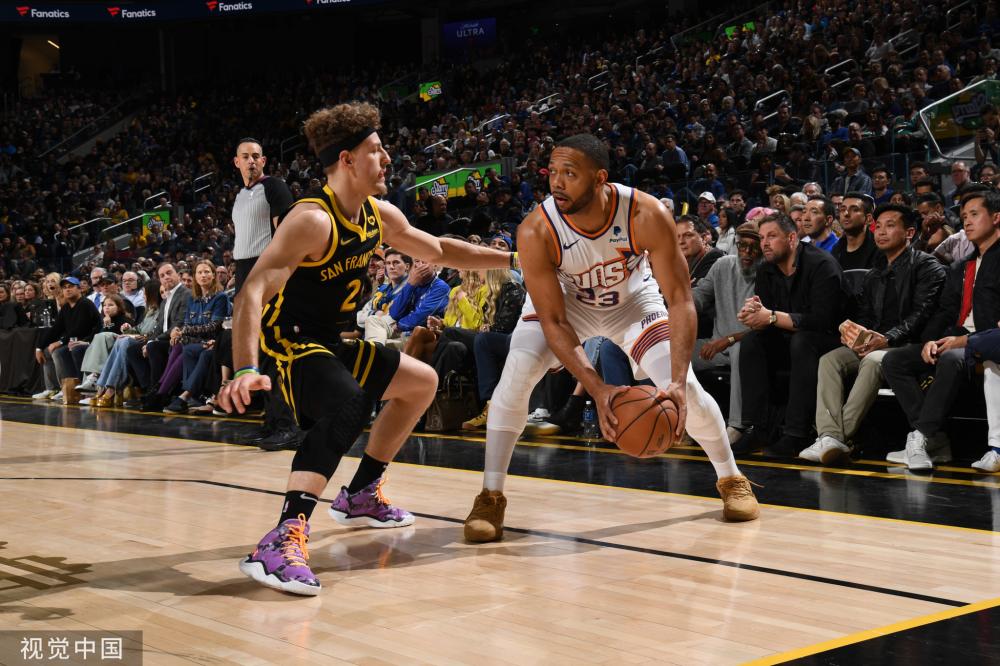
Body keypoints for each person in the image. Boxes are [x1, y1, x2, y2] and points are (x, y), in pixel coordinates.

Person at [217, 102, 513, 596]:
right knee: (348, 402)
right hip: (288, 341)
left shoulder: (379, 214)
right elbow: (251, 289)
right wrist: (245, 366)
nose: (388, 159)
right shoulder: (311, 220)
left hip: (332, 340)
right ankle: (282, 537)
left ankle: (359, 494)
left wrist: (515, 255)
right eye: (376, 150)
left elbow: (439, 250)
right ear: (347, 160)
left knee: (422, 382)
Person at [462, 134, 759, 546]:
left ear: (600, 178)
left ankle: (731, 479)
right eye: (553, 172)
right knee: (517, 375)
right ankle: (490, 495)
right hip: (568, 307)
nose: (557, 182)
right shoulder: (535, 229)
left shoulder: (645, 213)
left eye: (571, 173)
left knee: (687, 388)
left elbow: (679, 298)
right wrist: (598, 389)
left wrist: (673, 380)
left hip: (633, 302)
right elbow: (551, 319)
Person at [801, 204, 946, 463]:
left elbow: (920, 315)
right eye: (877, 226)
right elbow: (866, 315)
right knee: (830, 360)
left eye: (890, 225)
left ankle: (838, 438)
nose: (880, 232)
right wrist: (855, 333)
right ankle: (829, 434)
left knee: (872, 360)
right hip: (877, 342)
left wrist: (886, 338)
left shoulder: (927, 266)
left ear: (909, 232)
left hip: (908, 345)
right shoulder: (876, 271)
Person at [881, 191, 1000, 470]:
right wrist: (930, 341)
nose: (967, 222)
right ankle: (933, 439)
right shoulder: (961, 266)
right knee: (895, 360)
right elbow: (946, 311)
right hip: (957, 336)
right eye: (963, 217)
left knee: (951, 358)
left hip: (987, 342)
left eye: (974, 214)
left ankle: (921, 437)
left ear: (996, 218)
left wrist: (964, 340)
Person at [735, 214, 844, 456]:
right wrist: (752, 316)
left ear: (792, 238)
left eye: (772, 236)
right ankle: (758, 429)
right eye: (762, 238)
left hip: (830, 340)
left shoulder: (821, 265)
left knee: (802, 340)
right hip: (791, 339)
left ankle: (796, 433)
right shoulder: (766, 270)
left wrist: (770, 317)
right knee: (753, 341)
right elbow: (766, 315)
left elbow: (822, 321)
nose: (764, 243)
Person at [831, 192, 879, 270]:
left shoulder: (880, 249)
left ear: (868, 219)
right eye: (843, 209)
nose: (846, 213)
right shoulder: (836, 250)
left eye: (855, 210)